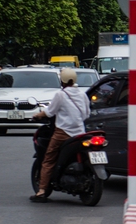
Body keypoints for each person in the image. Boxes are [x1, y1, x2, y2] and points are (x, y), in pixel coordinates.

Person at [29, 68, 91, 203]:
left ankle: (41, 191)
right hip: (80, 133)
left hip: (63, 132)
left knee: (48, 159)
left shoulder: (61, 95)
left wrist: (37, 115)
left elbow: (49, 112)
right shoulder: (82, 95)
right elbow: (86, 115)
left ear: (62, 81)